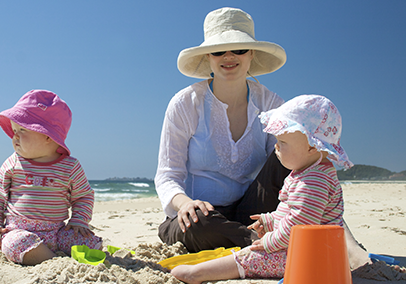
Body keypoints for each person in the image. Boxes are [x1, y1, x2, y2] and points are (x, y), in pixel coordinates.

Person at [155, 7, 370, 269]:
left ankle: (342, 242)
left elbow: (304, 166)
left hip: (256, 210)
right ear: (208, 58)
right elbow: (167, 176)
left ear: (251, 54)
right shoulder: (185, 104)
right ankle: (270, 245)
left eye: (239, 49)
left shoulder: (270, 103)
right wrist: (186, 203)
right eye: (219, 51)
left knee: (299, 151)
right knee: (197, 224)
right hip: (202, 216)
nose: (229, 57)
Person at [171, 94, 352, 282]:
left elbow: (300, 224)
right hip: (312, 250)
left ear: (312, 147)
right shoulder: (310, 172)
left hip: (312, 256)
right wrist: (270, 220)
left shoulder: (313, 181)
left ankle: (197, 273)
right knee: (252, 251)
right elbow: (292, 213)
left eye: (283, 142)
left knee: (249, 257)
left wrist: (268, 242)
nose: (276, 147)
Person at [0, 90, 102, 265]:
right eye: (14, 130)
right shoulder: (13, 163)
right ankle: (53, 261)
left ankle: (49, 256)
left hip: (57, 232)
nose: (14, 137)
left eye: (21, 130)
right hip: (19, 230)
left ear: (48, 135)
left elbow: (83, 196)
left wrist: (79, 220)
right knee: (14, 244)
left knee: (90, 242)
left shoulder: (70, 166)